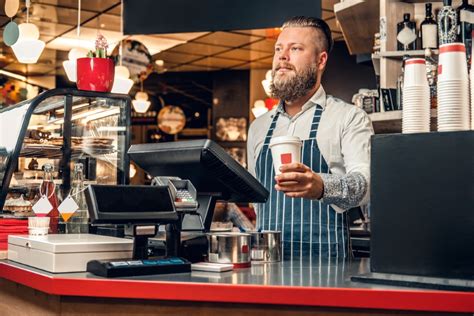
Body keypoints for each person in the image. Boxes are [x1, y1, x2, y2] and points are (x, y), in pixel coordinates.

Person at [247, 16, 374, 259]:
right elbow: (257, 199)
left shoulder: (349, 118)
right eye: (278, 49)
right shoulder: (259, 127)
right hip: (266, 263)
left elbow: (367, 184)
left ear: (320, 60)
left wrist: (323, 187)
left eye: (295, 48)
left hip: (327, 264)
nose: (282, 57)